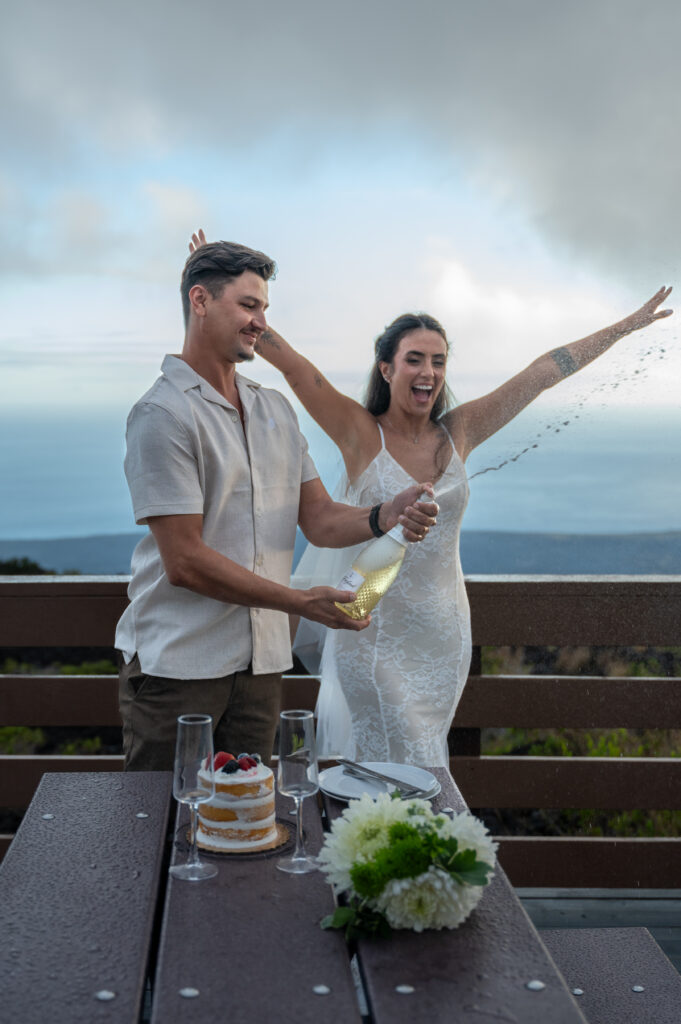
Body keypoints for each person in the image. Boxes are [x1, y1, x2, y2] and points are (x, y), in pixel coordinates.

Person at [115, 239, 438, 771]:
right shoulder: (162, 414)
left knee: (247, 826)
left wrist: (386, 514)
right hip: (178, 669)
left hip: (263, 669)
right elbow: (184, 561)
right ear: (199, 301)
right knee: (167, 828)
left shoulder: (274, 411)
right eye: (248, 305)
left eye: (264, 307)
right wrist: (298, 601)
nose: (260, 321)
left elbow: (321, 519)